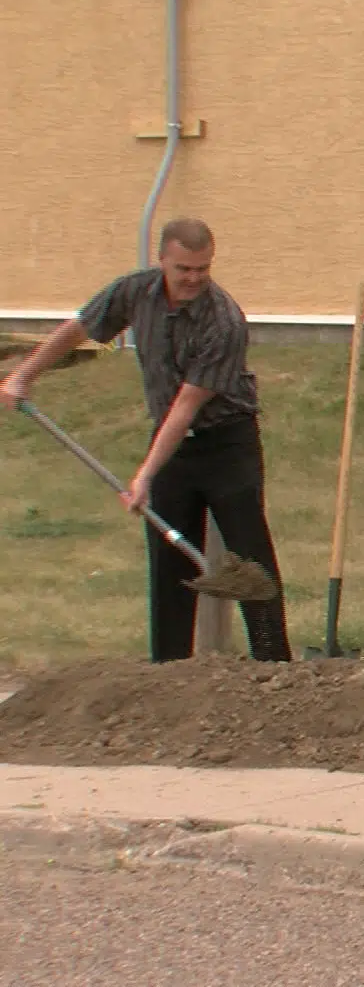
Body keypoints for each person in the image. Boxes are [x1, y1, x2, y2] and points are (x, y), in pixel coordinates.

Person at [1, 218, 292, 663]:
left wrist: (143, 476)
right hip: (173, 446)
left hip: (227, 444)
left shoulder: (225, 320)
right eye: (184, 269)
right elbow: (77, 328)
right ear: (162, 262)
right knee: (169, 559)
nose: (194, 278)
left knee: (250, 559)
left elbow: (186, 406)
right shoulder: (135, 292)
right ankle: (167, 672)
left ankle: (275, 669)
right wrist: (24, 375)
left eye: (203, 268)